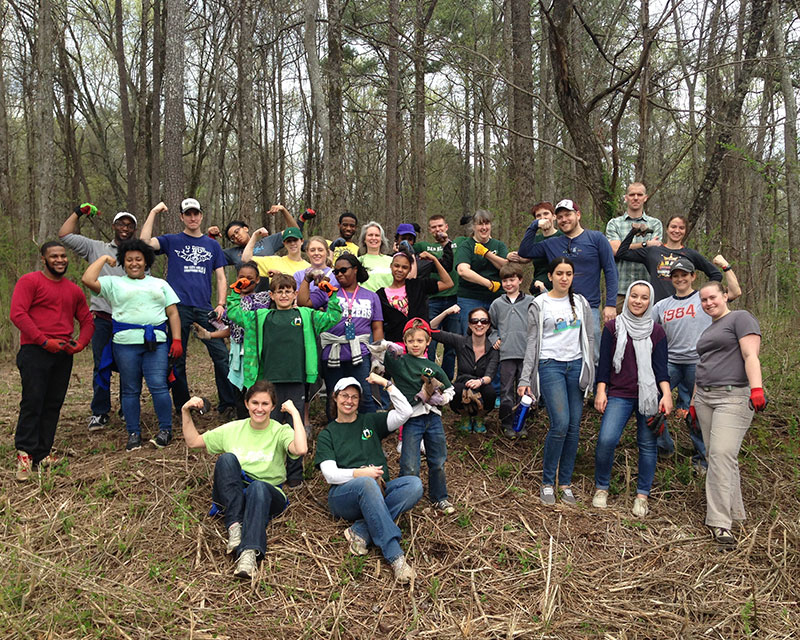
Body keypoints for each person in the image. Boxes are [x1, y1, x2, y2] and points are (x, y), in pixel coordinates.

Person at [181, 383, 307, 579]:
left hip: (268, 493)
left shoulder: (280, 431)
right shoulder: (233, 429)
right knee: (226, 459)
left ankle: (248, 554)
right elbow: (193, 442)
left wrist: (294, 413)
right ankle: (235, 528)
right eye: (255, 402)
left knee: (258, 487)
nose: (259, 408)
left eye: (265, 403)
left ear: (273, 406)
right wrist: (185, 411)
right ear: (247, 404)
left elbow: (301, 449)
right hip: (237, 492)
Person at [226, 272, 342, 486]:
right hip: (267, 383)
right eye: (280, 291)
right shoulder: (260, 317)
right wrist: (235, 291)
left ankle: (295, 476)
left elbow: (333, 317)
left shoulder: (306, 315)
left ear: (295, 293)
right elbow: (233, 313)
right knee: (270, 427)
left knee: (292, 428)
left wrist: (331, 296)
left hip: (295, 381)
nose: (284, 295)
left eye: (288, 291)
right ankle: (269, 473)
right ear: (271, 295)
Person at [314, 373, 420, 583]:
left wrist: (386, 384)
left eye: (354, 397)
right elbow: (329, 474)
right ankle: (396, 557)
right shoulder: (328, 433)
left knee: (414, 485)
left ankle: (361, 530)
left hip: (379, 491)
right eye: (344, 396)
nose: (349, 401)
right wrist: (360, 473)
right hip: (344, 496)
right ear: (335, 398)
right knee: (366, 483)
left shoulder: (370, 421)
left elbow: (406, 411)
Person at [139, 199, 239, 416]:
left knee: (221, 355)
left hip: (205, 308)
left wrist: (221, 304)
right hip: (178, 308)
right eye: (188, 214)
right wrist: (154, 211)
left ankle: (228, 403)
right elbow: (145, 242)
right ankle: (183, 405)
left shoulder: (212, 245)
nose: (193, 218)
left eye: (196, 214)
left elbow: (221, 277)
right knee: (177, 357)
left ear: (201, 216)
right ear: (182, 217)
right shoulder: (172, 240)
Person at [81, 240, 182, 451]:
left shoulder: (160, 284)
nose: (134, 263)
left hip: (156, 343)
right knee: (130, 389)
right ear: (123, 262)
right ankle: (133, 433)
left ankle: (165, 430)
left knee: (158, 385)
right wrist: (102, 259)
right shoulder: (113, 283)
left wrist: (177, 339)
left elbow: (172, 313)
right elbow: (88, 279)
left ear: (146, 261)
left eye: (138, 259)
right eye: (129, 260)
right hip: (125, 344)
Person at [689, 281, 766, 548]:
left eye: (713, 297)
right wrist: (692, 400)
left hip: (733, 396)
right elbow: (704, 364)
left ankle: (720, 523)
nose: (708, 303)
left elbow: (750, 354)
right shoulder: (710, 329)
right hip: (705, 397)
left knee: (721, 454)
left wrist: (756, 388)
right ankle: (735, 513)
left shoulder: (740, 318)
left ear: (725, 296)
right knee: (719, 457)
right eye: (703, 300)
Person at [10, 241, 94, 480]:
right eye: (54, 256)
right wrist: (43, 340)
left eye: (63, 256)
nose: (60, 260)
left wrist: (81, 344)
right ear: (44, 259)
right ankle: (25, 455)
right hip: (35, 351)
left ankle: (42, 453)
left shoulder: (73, 290)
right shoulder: (30, 282)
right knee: (32, 401)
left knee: (53, 403)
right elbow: (17, 313)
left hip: (63, 353)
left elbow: (87, 320)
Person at [517, 258, 595, 504]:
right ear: (550, 276)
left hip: (576, 367)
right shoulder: (539, 304)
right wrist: (525, 376)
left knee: (573, 428)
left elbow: (589, 339)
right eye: (559, 273)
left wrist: (590, 371)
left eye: (569, 273)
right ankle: (548, 482)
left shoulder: (581, 303)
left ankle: (565, 483)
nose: (564, 278)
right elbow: (532, 342)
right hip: (550, 366)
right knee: (560, 423)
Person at [592, 281, 673, 517]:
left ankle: (642, 496)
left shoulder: (656, 331)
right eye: (634, 296)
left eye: (644, 297)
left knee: (647, 445)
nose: (638, 301)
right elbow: (604, 363)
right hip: (619, 394)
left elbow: (661, 369)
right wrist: (601, 390)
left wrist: (666, 394)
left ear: (650, 301)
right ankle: (602, 488)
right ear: (627, 298)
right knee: (606, 439)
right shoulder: (613, 327)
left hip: (648, 397)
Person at [651, 256, 741, 465]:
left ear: (693, 276)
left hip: (698, 363)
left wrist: (726, 266)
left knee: (698, 412)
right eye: (676, 276)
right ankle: (664, 448)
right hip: (670, 362)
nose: (680, 279)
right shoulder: (662, 305)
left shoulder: (703, 300)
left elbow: (735, 293)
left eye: (684, 275)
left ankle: (702, 459)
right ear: (670, 279)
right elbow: (646, 328)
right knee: (651, 404)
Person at [59, 203, 137, 431]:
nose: (125, 228)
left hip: (130, 320)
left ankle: (127, 408)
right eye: (121, 223)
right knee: (101, 366)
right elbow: (65, 235)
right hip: (103, 318)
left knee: (129, 367)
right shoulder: (96, 248)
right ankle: (100, 411)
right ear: (113, 226)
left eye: (130, 225)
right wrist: (78, 211)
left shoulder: (137, 253)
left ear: (134, 229)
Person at [518, 199, 618, 362]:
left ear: (578, 215)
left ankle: (598, 387)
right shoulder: (551, 243)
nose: (564, 219)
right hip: (560, 308)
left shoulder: (596, 238)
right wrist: (534, 225)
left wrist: (611, 304)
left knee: (594, 354)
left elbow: (610, 271)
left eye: (568, 215)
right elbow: (525, 250)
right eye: (560, 217)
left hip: (589, 307)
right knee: (564, 353)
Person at [383, 319, 456, 514]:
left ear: (428, 342)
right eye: (411, 341)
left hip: (433, 419)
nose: (415, 344)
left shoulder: (433, 366)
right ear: (405, 342)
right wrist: (388, 347)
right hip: (412, 419)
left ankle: (440, 497)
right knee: (409, 463)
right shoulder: (400, 362)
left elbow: (450, 388)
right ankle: (404, 498)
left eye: (420, 340)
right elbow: (386, 353)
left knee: (438, 460)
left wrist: (443, 399)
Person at [191, 261, 272, 416]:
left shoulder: (263, 299)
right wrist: (209, 335)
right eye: (241, 277)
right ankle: (242, 418)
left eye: (249, 278)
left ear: (257, 280)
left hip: (254, 349)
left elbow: (250, 321)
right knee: (238, 386)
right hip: (236, 350)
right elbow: (231, 329)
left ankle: (259, 417)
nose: (244, 281)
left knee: (257, 386)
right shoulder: (232, 302)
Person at [319, 253, 384, 416]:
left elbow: (377, 327)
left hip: (360, 354)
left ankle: (367, 434)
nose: (339, 274)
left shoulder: (371, 296)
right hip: (333, 353)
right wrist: (309, 281)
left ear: (355, 270)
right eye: (336, 272)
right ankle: (336, 435)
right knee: (335, 396)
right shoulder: (329, 293)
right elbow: (305, 302)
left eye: (343, 270)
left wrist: (378, 356)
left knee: (365, 396)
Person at [614, 214, 729, 302]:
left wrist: (702, 296)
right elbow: (621, 253)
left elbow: (716, 274)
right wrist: (633, 232)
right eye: (673, 227)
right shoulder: (653, 251)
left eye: (681, 228)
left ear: (685, 231)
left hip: (683, 307)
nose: (677, 231)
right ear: (667, 229)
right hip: (656, 305)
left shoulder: (690, 254)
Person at [430, 305, 499, 434]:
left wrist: (480, 381)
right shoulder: (460, 341)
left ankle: (480, 418)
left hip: (482, 384)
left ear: (489, 325)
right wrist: (446, 312)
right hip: (462, 384)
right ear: (469, 324)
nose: (479, 324)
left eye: (484, 321)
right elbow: (431, 330)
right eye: (474, 321)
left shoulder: (493, 348)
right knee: (455, 390)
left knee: (490, 393)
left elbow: (490, 373)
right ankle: (464, 417)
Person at [488, 263, 535, 438]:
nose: (508, 284)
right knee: (506, 389)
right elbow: (490, 326)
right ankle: (507, 422)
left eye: (512, 280)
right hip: (507, 353)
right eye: (505, 281)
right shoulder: (497, 304)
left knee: (525, 391)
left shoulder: (531, 301)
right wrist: (495, 339)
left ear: (520, 280)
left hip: (526, 353)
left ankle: (522, 423)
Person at [415, 215, 462, 379]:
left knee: (452, 343)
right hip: (433, 299)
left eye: (440, 226)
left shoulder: (458, 244)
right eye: (434, 227)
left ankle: (447, 380)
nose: (438, 230)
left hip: (455, 298)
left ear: (446, 226)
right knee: (430, 340)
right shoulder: (424, 246)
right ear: (429, 230)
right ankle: (430, 378)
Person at [604, 183, 663, 312]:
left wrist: (625, 247)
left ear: (645, 198)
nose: (635, 198)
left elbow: (654, 252)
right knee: (615, 329)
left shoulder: (655, 224)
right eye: (632, 195)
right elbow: (616, 251)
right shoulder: (614, 223)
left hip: (646, 290)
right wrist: (645, 244)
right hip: (620, 290)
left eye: (639, 195)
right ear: (626, 198)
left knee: (646, 331)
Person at [376, 250, 453, 342]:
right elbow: (379, 325)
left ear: (409, 270)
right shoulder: (380, 295)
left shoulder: (418, 285)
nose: (400, 270)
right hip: (395, 344)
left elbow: (448, 283)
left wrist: (434, 260)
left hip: (419, 342)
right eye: (397, 266)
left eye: (404, 267)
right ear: (391, 267)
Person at [454, 209, 509, 333]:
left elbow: (507, 267)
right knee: (470, 336)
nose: (484, 228)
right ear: (473, 227)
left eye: (486, 224)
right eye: (480, 224)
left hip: (497, 298)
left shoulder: (499, 245)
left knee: (500, 335)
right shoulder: (466, 246)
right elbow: (463, 271)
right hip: (470, 298)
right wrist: (488, 284)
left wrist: (487, 254)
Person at [207, 204, 298, 268]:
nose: (236, 236)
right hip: (246, 294)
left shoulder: (268, 242)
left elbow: (295, 232)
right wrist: (211, 236)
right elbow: (209, 256)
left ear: (245, 228)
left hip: (271, 293)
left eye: (237, 231)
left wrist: (283, 210)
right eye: (232, 238)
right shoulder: (232, 253)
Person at [507, 202, 563, 295]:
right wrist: (511, 256)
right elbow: (526, 256)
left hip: (559, 288)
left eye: (546, 214)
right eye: (538, 216)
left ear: (554, 216)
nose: (543, 218)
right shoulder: (535, 239)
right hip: (538, 288)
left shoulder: (562, 237)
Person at [243, 226, 310, 277]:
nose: (292, 243)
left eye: (295, 240)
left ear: (301, 241)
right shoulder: (273, 261)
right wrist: (255, 235)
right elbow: (246, 259)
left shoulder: (308, 268)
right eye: (289, 241)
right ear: (284, 244)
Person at [294, 235, 340, 310]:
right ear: (307, 252)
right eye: (312, 250)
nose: (316, 253)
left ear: (327, 252)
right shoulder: (299, 275)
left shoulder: (335, 275)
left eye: (320, 250)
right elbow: (296, 300)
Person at [357, 221, 393, 291]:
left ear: (381, 239)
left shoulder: (392, 261)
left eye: (377, 235)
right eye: (370, 235)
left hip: (387, 300)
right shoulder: (358, 261)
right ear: (364, 239)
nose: (373, 238)